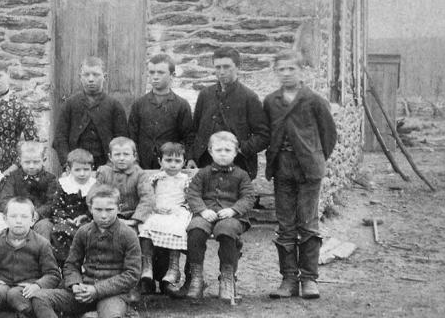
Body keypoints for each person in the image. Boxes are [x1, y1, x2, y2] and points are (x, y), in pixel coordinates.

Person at [263, 51, 337, 300]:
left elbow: (329, 136)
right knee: (285, 224)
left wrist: (314, 158)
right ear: (275, 72)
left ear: (301, 71)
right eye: (281, 69)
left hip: (308, 168)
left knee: (307, 223)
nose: (286, 73)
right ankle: (288, 279)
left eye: (291, 69)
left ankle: (309, 279)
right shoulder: (271, 101)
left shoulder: (313, 100)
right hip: (282, 166)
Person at [29, 185, 141, 318]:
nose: (104, 215)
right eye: (98, 210)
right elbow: (71, 265)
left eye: (109, 210)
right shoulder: (84, 232)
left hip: (113, 295)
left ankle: (119, 312)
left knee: (111, 315)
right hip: (84, 292)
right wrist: (75, 284)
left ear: (119, 208)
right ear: (90, 209)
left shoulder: (128, 235)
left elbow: (132, 274)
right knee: (39, 297)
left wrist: (97, 290)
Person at [184, 131, 256, 300]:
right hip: (207, 214)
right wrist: (202, 210)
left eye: (227, 150)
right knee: (195, 229)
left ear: (236, 152)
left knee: (226, 230)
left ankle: (227, 277)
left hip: (233, 217)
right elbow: (193, 194)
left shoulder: (242, 175)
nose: (223, 154)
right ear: (210, 151)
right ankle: (196, 277)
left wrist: (233, 210)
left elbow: (248, 197)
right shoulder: (203, 173)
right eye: (218, 150)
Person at [188, 48, 269, 179]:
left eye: (226, 67)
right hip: (205, 163)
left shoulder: (249, 97)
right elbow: (194, 131)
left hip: (237, 165)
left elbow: (264, 136)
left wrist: (241, 148)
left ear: (237, 67)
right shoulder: (205, 94)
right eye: (217, 67)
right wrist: (191, 157)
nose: (221, 72)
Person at [94, 137, 153, 295]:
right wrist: (107, 215)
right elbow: (93, 195)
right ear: (110, 156)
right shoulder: (104, 172)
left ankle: (132, 284)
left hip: (132, 218)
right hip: (108, 216)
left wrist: (135, 220)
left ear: (134, 156)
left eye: (126, 154)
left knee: (130, 239)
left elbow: (147, 198)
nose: (121, 158)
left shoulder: (140, 175)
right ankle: (105, 280)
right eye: (117, 154)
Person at [0, 198, 61, 316]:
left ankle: (27, 314)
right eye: (13, 216)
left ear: (32, 220)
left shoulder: (41, 243)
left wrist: (37, 285)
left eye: (24, 217)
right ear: (5, 219)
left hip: (26, 290)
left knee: (15, 295)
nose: (18, 221)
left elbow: (53, 274)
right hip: (3, 286)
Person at [137, 142, 193, 298]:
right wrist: (154, 207)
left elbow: (191, 199)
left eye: (177, 161)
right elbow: (148, 196)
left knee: (177, 228)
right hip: (158, 211)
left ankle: (173, 268)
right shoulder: (156, 179)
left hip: (177, 211)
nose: (173, 165)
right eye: (168, 160)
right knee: (147, 226)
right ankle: (147, 266)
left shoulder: (185, 180)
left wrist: (179, 209)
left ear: (184, 162)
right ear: (160, 161)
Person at [53, 57, 129, 169]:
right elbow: (60, 137)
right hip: (76, 165)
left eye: (96, 75)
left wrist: (112, 164)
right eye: (86, 75)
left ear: (105, 77)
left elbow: (122, 139)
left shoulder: (114, 105)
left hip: (106, 166)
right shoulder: (70, 104)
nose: (91, 79)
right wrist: (67, 163)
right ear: (80, 77)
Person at [129, 54, 194, 171]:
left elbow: (188, 137)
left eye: (160, 72)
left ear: (172, 75)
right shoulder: (139, 104)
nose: (155, 77)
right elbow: (132, 136)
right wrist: (134, 161)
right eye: (152, 72)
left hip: (170, 164)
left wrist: (185, 159)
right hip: (142, 164)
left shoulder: (181, 105)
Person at [0, 141, 59, 238]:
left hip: (38, 218)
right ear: (20, 161)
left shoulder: (50, 179)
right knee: (0, 223)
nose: (31, 166)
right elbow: (5, 198)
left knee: (44, 227)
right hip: (16, 215)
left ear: (43, 160)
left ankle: (40, 252)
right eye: (27, 162)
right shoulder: (13, 177)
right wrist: (18, 212)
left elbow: (52, 202)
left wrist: (37, 214)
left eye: (36, 162)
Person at [48, 149, 95, 264]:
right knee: (59, 231)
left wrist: (86, 216)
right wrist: (65, 218)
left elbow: (97, 205)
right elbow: (56, 206)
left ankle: (84, 262)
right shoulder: (63, 184)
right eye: (77, 170)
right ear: (69, 170)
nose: (82, 173)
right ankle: (63, 262)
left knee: (88, 232)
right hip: (65, 219)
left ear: (92, 169)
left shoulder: (94, 185)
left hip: (86, 220)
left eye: (86, 169)